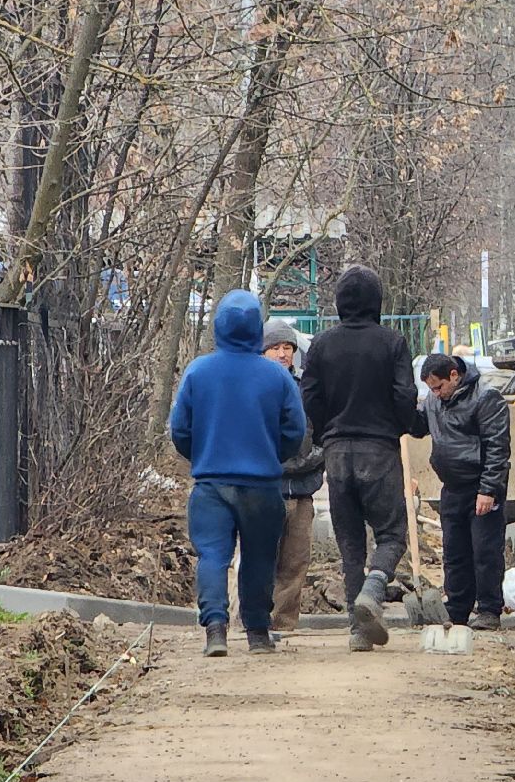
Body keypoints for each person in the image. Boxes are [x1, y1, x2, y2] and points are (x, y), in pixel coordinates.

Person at [169, 291, 307, 657]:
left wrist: (202, 455)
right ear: (256, 331)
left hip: (211, 483)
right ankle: (258, 633)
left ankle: (215, 629)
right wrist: (270, 455)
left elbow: (179, 429)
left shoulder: (199, 371)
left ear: (218, 326)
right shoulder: (276, 377)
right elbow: (295, 431)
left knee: (212, 555)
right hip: (262, 484)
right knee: (260, 556)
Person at [300, 266, 418, 652]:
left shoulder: (321, 344)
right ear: (376, 301)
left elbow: (310, 398)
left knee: (350, 543)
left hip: (336, 453)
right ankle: (374, 586)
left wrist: (323, 434)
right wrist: (412, 425)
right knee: (392, 532)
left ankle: (357, 629)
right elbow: (404, 396)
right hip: (379, 450)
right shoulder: (392, 342)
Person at [412, 354, 512, 629]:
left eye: (439, 386)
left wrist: (488, 489)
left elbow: (497, 447)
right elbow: (420, 426)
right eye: (431, 389)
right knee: (454, 552)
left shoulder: (486, 399)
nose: (436, 393)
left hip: (480, 486)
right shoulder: (435, 401)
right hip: (452, 487)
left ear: (454, 375)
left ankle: (489, 609)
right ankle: (457, 608)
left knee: (485, 551)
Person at [262, 318, 325, 632]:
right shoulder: (253, 387)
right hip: (262, 490)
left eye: (287, 347)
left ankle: (284, 625)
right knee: (258, 560)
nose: (283, 353)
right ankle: (252, 621)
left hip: (301, 492)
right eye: (275, 347)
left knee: (295, 562)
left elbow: (322, 433)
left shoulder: (306, 389)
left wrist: (314, 459)